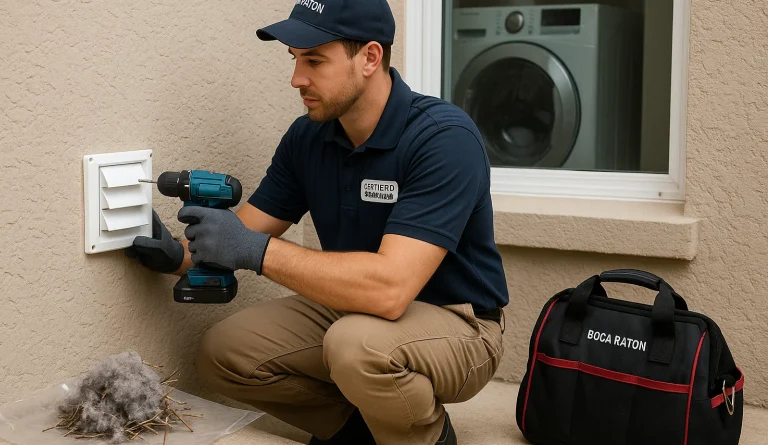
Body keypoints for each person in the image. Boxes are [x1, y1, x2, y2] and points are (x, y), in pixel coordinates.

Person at [126, 1, 509, 444]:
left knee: (355, 345)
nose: (297, 79)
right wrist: (175, 254)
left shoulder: (443, 139)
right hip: (355, 310)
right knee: (223, 352)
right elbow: (246, 232)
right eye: (295, 60)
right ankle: (356, 429)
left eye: (314, 60)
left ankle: (425, 436)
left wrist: (257, 251)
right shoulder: (308, 137)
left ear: (369, 57)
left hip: (459, 324)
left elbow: (389, 290)